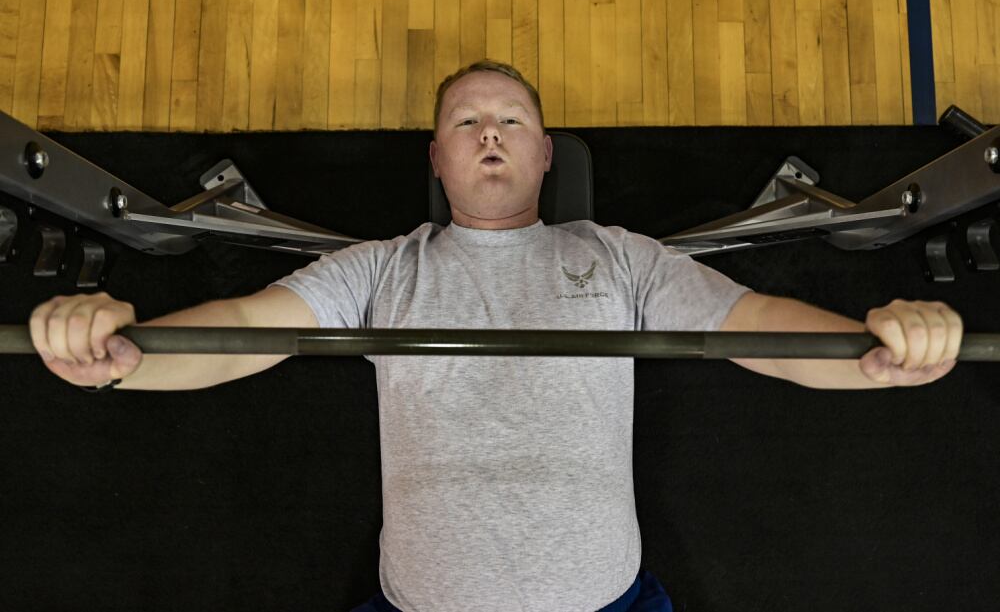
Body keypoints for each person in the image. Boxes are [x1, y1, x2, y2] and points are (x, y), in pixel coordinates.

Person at [29, 60, 964, 612]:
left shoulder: (619, 256)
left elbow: (752, 324)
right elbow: (241, 329)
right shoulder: (379, 267)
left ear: (545, 154)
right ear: (436, 160)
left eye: (512, 120)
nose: (490, 135)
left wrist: (877, 352)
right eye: (466, 122)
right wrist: (119, 354)